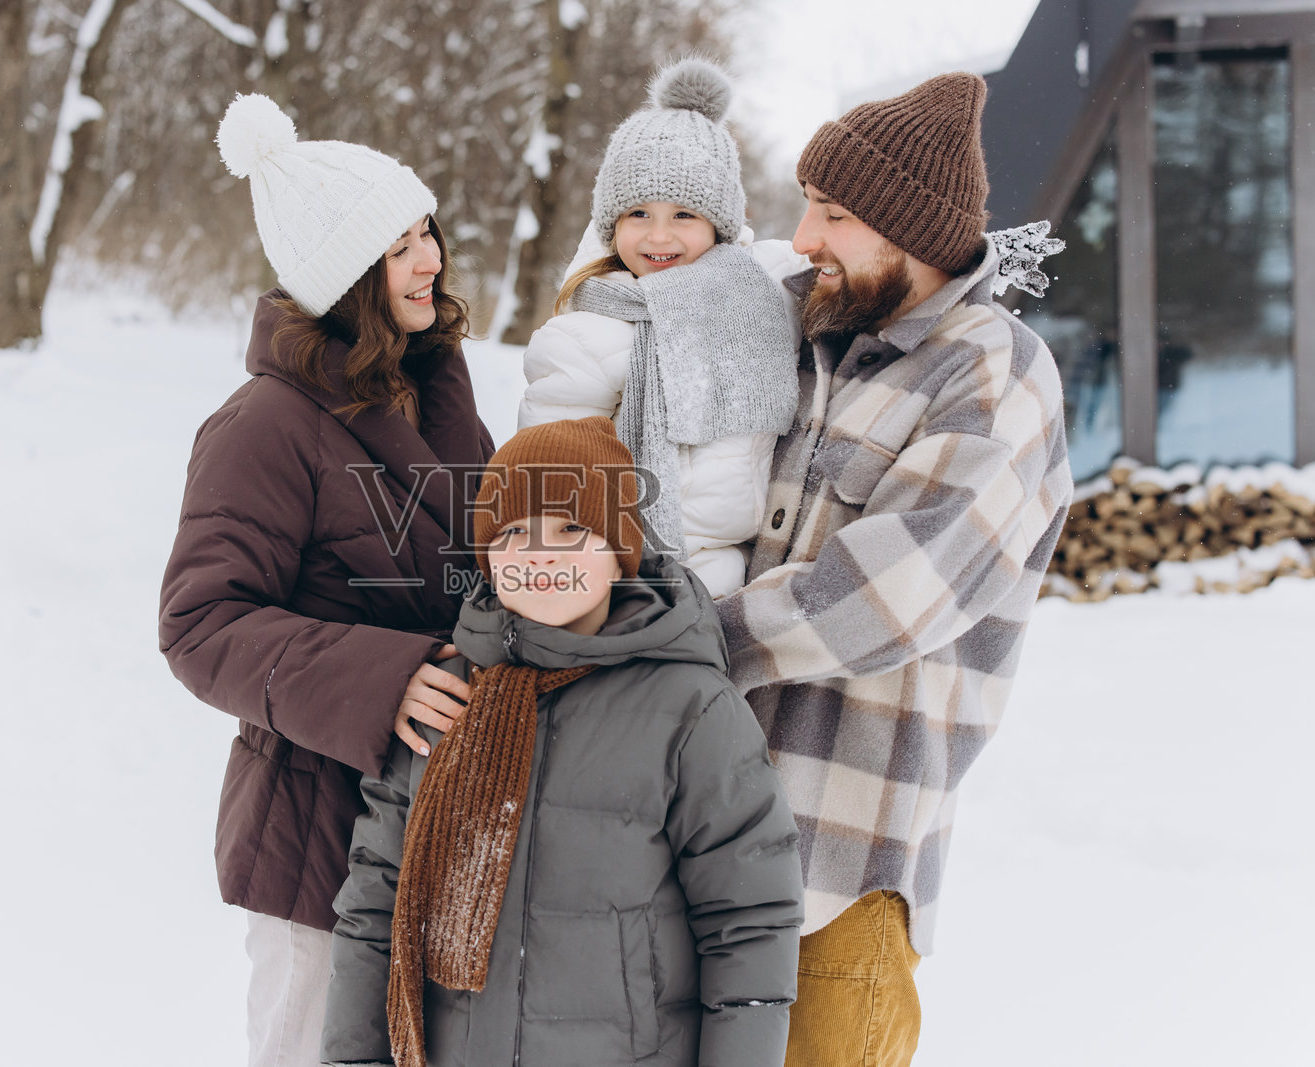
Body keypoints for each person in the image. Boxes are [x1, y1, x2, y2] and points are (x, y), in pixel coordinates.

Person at [713, 72, 1075, 1066]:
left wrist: (687, 638)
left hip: (833, 872)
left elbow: (888, 591)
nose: (800, 237)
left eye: (830, 213)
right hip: (689, 847)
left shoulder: (992, 374)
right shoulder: (788, 330)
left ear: (902, 231)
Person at [158, 93, 494, 1066]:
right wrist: (383, 679)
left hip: (440, 829)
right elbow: (200, 624)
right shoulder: (263, 423)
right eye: (397, 245)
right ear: (345, 275)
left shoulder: (438, 400)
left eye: (425, 228)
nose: (430, 256)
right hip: (317, 846)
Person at [319, 417, 805, 1067]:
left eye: (570, 529)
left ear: (618, 547)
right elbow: (376, 900)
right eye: (514, 532)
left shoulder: (692, 711)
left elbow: (748, 924)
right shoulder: (446, 697)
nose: (540, 554)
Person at [518, 58, 801, 599]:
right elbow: (548, 482)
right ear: (611, 224)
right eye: (638, 215)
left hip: (737, 577)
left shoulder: (763, 295)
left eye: (684, 216)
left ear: (720, 225)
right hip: (620, 577)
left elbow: (860, 274)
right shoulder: (585, 333)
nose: (659, 236)